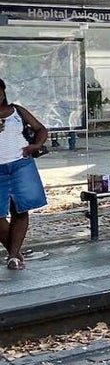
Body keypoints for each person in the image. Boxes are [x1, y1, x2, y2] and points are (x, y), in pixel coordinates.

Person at [0, 79, 48, 270]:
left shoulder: (17, 110)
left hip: (21, 165)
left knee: (20, 209)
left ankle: (13, 256)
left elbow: (41, 129)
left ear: (4, 92)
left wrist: (36, 145)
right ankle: (15, 251)